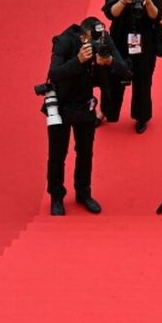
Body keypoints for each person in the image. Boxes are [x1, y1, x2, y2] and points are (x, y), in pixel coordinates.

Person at [44, 16, 130, 215]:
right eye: (93, 39)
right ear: (83, 37)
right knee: (58, 154)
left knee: (85, 152)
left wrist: (109, 61)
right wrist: (79, 60)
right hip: (61, 103)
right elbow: (54, 74)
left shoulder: (104, 40)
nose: (98, 43)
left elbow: (125, 72)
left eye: (100, 38)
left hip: (85, 104)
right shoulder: (64, 41)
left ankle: (83, 193)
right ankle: (56, 196)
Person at [101, 0, 162, 134]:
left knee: (143, 80)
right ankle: (106, 111)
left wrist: (148, 1)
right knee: (113, 76)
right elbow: (110, 13)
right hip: (120, 39)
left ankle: (141, 116)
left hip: (145, 41)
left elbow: (157, 15)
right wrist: (123, 0)